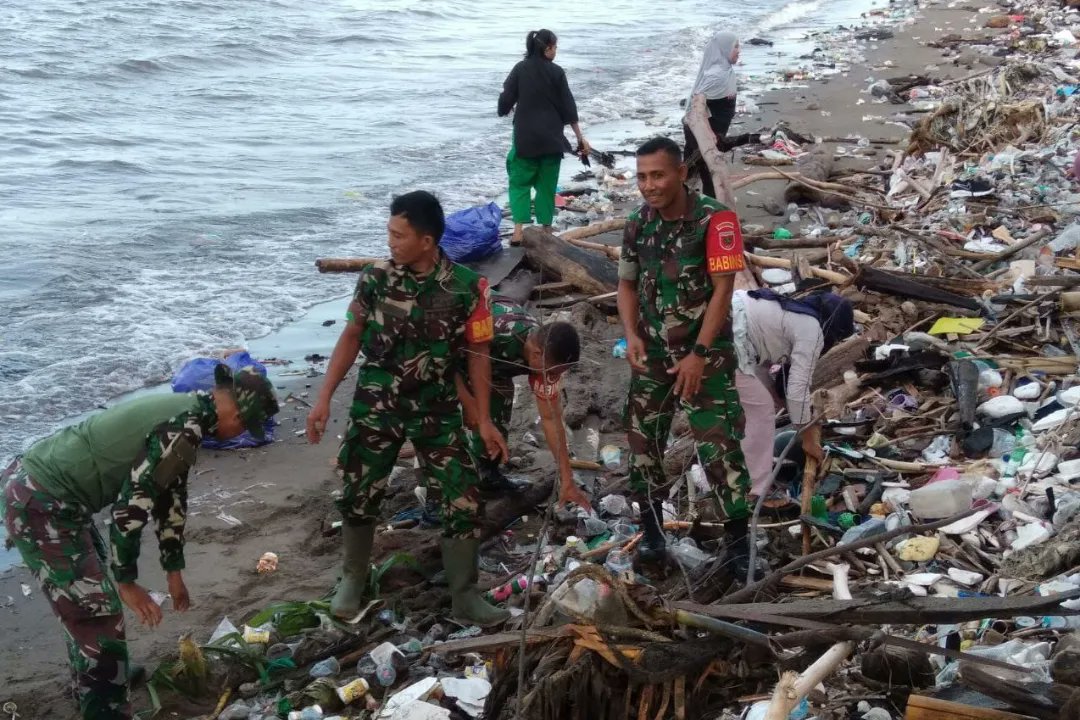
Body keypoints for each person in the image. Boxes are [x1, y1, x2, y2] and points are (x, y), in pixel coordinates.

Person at [1, 366, 279, 720]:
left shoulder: (191, 412)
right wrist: (128, 581)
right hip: (41, 501)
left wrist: (173, 569)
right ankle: (106, 706)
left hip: (53, 495)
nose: (238, 434)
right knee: (95, 612)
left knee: (89, 603)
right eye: (244, 426)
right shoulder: (185, 424)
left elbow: (170, 497)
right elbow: (131, 508)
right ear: (237, 414)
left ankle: (99, 680)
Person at [306, 190, 511, 627]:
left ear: (427, 240)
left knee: (463, 496)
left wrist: (485, 419)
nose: (391, 242)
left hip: (436, 407)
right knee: (360, 491)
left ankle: (464, 594)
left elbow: (478, 352)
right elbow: (351, 335)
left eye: (399, 235)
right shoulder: (375, 278)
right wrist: (323, 397)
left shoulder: (465, 287)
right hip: (377, 403)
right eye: (389, 233)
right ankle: (352, 580)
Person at [616, 136, 753, 572]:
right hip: (654, 354)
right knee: (642, 440)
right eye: (641, 177)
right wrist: (631, 336)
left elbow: (723, 290)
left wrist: (697, 353)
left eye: (657, 175)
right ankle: (653, 536)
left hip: (705, 357)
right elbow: (627, 285)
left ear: (681, 173)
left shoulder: (717, 220)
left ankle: (738, 545)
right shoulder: (639, 223)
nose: (649, 185)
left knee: (718, 443)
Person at [454, 297, 591, 511]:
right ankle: (439, 494)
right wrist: (472, 405)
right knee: (444, 422)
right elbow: (444, 362)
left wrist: (567, 480)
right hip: (446, 354)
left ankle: (488, 475)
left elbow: (551, 419)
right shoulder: (499, 333)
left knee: (496, 420)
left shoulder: (544, 358)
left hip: (493, 369)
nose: (552, 378)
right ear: (537, 354)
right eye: (552, 372)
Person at [732, 289, 856, 499]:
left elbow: (760, 367)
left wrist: (775, 396)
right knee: (761, 412)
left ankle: (738, 471)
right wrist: (808, 437)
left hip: (734, 318)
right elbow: (798, 390)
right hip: (734, 332)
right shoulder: (813, 330)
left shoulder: (794, 313)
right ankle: (757, 490)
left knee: (756, 406)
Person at [498, 29, 591, 246]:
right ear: (547, 48)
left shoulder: (520, 69)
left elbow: (504, 103)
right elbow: (569, 108)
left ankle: (519, 231)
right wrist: (580, 138)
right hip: (551, 139)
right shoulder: (557, 72)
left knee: (519, 184)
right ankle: (546, 228)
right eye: (555, 47)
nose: (556, 51)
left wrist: (508, 106)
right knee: (547, 186)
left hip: (525, 138)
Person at [682, 31, 741, 200]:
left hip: (712, 133)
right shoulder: (716, 75)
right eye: (735, 46)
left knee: (694, 174)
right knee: (707, 173)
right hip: (701, 135)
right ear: (724, 49)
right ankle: (711, 214)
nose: (739, 50)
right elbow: (695, 106)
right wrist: (707, 135)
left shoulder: (725, 71)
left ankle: (695, 209)